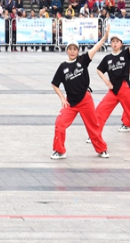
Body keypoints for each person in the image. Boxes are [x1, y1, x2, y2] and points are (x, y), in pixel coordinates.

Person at [50, 28, 110, 160]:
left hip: (85, 99)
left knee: (93, 126)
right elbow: (54, 84)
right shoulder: (63, 67)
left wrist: (104, 38)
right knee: (60, 124)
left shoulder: (82, 60)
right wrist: (62, 98)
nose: (72, 51)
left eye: (75, 49)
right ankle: (60, 151)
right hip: (70, 102)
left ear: (78, 51)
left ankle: (102, 149)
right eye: (70, 49)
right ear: (67, 50)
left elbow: (95, 48)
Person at [94, 28, 130, 144]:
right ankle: (94, 135)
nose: (114, 43)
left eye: (117, 41)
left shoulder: (125, 54)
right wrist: (106, 81)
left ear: (121, 44)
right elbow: (99, 70)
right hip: (113, 89)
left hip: (125, 88)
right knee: (100, 110)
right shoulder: (107, 58)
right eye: (113, 41)